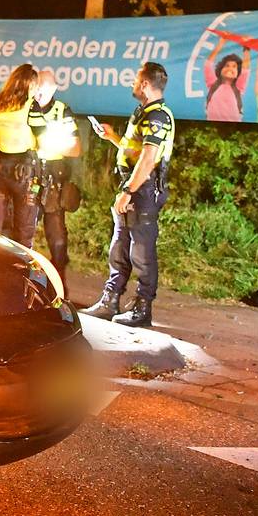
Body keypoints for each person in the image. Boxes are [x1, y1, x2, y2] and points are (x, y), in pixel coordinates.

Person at [81, 62, 175, 328]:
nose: (132, 83)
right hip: (134, 186)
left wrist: (128, 191)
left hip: (143, 191)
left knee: (142, 252)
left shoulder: (158, 116)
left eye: (136, 79)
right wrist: (112, 138)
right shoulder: (144, 112)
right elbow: (135, 151)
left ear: (145, 84)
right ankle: (110, 301)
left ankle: (142, 309)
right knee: (119, 246)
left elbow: (147, 160)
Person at [29, 70, 81, 286]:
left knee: (56, 234)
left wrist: (50, 145)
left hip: (52, 178)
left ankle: (60, 284)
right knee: (23, 230)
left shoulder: (62, 112)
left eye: (44, 88)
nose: (40, 92)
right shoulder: (26, 108)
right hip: (29, 175)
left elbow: (76, 149)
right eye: (37, 87)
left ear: (54, 89)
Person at [0, 64, 41, 247]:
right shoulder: (31, 106)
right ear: (30, 85)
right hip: (24, 173)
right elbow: (43, 141)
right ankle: (21, 270)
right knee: (23, 230)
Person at [203, 44, 250, 121]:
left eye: (234, 66)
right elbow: (208, 64)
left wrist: (246, 48)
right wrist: (222, 41)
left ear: (238, 73)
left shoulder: (238, 87)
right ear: (220, 69)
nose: (230, 68)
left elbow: (245, 69)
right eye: (227, 65)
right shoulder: (213, 83)